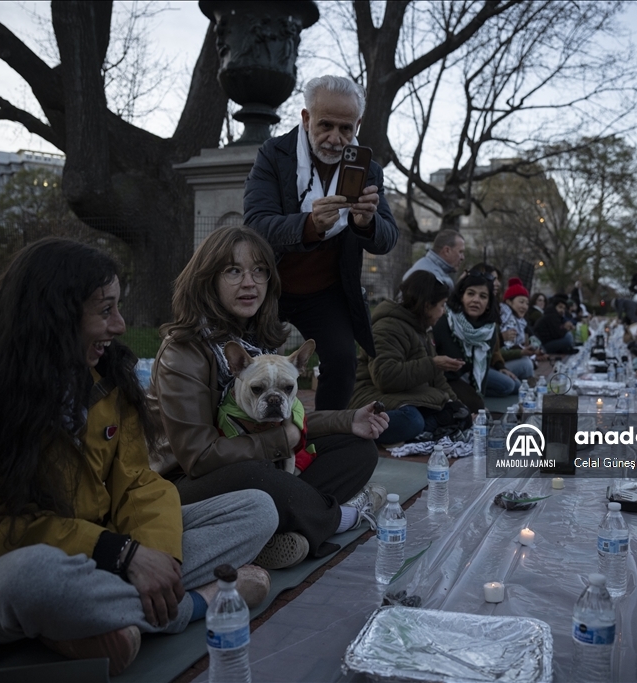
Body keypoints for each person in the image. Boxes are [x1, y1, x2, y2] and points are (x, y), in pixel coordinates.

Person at [0, 238, 277, 676]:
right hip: (0, 569)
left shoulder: (107, 377)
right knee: (38, 577)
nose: (119, 326)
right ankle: (199, 602)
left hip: (111, 545)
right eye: (105, 311)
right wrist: (121, 555)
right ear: (53, 316)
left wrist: (159, 558)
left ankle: (90, 622)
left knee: (257, 508)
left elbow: (138, 483)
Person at [148, 227, 389, 569]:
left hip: (253, 460)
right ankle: (340, 518)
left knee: (357, 447)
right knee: (257, 476)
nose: (250, 282)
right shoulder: (182, 353)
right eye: (234, 271)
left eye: (259, 270)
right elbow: (198, 458)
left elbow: (282, 417)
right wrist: (280, 441)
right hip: (185, 483)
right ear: (206, 279)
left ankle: (280, 529)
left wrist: (348, 420)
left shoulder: (254, 341)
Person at [243, 75, 399, 410]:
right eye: (325, 125)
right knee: (247, 365)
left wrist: (367, 223)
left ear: (357, 125)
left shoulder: (368, 169)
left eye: (346, 129)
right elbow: (255, 225)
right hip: (269, 285)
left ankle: (327, 443)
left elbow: (388, 238)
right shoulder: (273, 154)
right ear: (305, 118)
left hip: (325, 292)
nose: (335, 139)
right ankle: (247, 439)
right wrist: (310, 225)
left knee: (343, 362)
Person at [349, 271, 467, 445]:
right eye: (442, 305)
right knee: (411, 420)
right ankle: (352, 430)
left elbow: (437, 380)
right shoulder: (388, 326)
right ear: (427, 306)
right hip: (370, 395)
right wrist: (432, 364)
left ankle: (421, 432)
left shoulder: (421, 328)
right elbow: (385, 377)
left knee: (456, 413)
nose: (443, 312)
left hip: (401, 395)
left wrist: (457, 405)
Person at [432, 265, 520, 413]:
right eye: (470, 294)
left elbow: (482, 370)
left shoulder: (489, 329)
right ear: (462, 296)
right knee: (474, 407)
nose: (476, 300)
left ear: (488, 304)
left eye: (483, 296)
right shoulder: (445, 320)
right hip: (440, 379)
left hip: (465, 376)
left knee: (482, 404)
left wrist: (477, 398)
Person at [499, 277, 539, 381]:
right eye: (521, 302)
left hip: (507, 363)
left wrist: (533, 348)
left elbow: (533, 338)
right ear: (508, 302)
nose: (525, 307)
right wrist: (521, 352)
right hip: (496, 366)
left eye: (527, 303)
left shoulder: (520, 322)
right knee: (526, 364)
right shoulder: (503, 319)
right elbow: (499, 352)